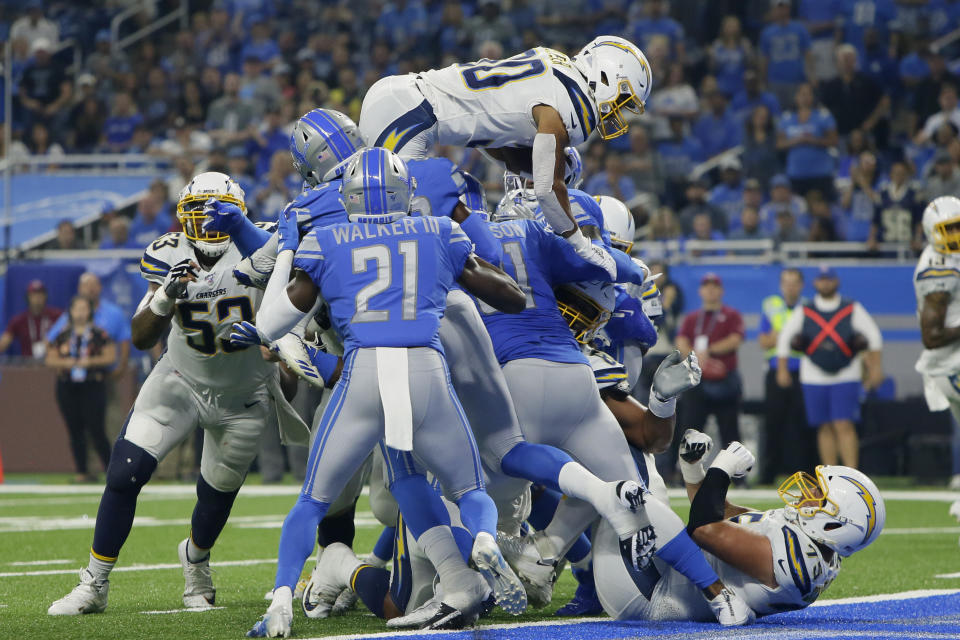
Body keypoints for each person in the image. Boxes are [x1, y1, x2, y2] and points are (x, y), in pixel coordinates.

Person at [243, 148, 530, 637]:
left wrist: (289, 248)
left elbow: (270, 324)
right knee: (470, 488)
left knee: (312, 501)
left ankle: (282, 601)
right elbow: (512, 297)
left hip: (364, 373)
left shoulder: (328, 239)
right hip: (425, 367)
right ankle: (483, 536)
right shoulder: (438, 230)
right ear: (406, 193)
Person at [47, 172, 304, 616]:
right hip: (180, 380)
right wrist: (167, 295)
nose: (207, 226)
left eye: (218, 214)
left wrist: (275, 353)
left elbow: (291, 358)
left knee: (214, 499)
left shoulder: (266, 249)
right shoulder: (168, 252)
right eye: (198, 215)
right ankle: (94, 582)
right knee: (125, 473)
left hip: (243, 395)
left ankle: (197, 562)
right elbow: (141, 337)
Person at [358, 36, 652, 279]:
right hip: (411, 115)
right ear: (606, 75)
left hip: (403, 100)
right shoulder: (568, 104)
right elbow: (548, 191)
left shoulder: (554, 64)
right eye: (622, 99)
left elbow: (488, 130)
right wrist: (581, 244)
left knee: (385, 225)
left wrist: (534, 168)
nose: (617, 111)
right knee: (391, 239)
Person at [594, 432, 885, 622]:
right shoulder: (811, 544)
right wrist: (694, 468)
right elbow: (721, 515)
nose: (809, 492)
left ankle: (548, 556)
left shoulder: (797, 559)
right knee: (641, 484)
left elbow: (703, 528)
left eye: (820, 496)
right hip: (657, 576)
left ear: (835, 524)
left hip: (650, 595)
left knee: (622, 484)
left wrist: (722, 468)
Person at [776, 267, 883, 469]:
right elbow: (785, 338)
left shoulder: (851, 307)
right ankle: (830, 474)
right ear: (815, 283)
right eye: (822, 280)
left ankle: (851, 473)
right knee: (823, 426)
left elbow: (874, 336)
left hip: (846, 374)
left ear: (836, 282)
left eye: (829, 279)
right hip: (813, 375)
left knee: (844, 424)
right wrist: (783, 369)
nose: (825, 283)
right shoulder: (805, 309)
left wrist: (876, 369)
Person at [914, 197, 960, 489]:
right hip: (949, 364)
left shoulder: (952, 257)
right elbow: (931, 337)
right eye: (948, 229)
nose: (955, 235)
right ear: (932, 231)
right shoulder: (937, 267)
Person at [45, 296, 115, 483]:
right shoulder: (62, 335)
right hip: (68, 385)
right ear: (71, 311)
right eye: (77, 309)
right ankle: (82, 471)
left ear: (90, 312)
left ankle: (111, 470)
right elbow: (50, 359)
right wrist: (66, 362)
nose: (81, 313)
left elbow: (110, 357)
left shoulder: (100, 334)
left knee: (97, 428)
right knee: (75, 429)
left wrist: (90, 361)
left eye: (84, 309)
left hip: (92, 384)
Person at [676, 273, 744, 452]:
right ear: (700, 291)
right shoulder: (692, 318)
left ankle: (738, 475)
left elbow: (735, 339)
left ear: (721, 291)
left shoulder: (731, 315)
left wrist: (709, 351)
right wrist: (695, 355)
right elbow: (681, 340)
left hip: (725, 377)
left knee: (730, 430)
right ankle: (684, 471)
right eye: (707, 286)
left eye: (715, 286)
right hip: (698, 378)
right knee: (690, 427)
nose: (711, 290)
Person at [758, 269, 811, 483]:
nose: (790, 287)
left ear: (801, 286)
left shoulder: (809, 307)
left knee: (804, 424)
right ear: (781, 286)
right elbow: (764, 342)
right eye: (786, 283)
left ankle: (806, 475)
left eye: (794, 283)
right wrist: (790, 338)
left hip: (805, 371)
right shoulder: (771, 306)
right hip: (775, 369)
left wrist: (780, 336)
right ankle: (768, 475)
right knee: (774, 422)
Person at [46, 273, 131, 380]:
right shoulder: (67, 320)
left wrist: (121, 367)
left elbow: (124, 341)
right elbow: (50, 340)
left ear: (100, 287)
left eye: (94, 285)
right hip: (70, 378)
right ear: (79, 288)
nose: (91, 289)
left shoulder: (112, 315)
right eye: (86, 285)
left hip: (102, 375)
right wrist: (61, 364)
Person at [776, 83, 838, 201]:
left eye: (808, 94)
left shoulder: (823, 116)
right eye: (802, 94)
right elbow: (779, 144)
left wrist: (812, 140)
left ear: (813, 97)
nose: (805, 97)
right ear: (796, 97)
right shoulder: (786, 118)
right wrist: (798, 140)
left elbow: (834, 141)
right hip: (796, 174)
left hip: (821, 173)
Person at [759, 0, 813, 110]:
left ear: (789, 8)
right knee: (776, 113)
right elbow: (764, 59)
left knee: (797, 111)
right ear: (773, 9)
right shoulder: (767, 32)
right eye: (779, 7)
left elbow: (808, 54)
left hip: (797, 80)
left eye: (784, 7)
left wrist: (811, 76)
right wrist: (762, 81)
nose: (782, 11)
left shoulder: (800, 29)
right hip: (775, 81)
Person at [0, 280, 61, 358]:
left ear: (45, 296)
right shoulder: (19, 320)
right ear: (27, 297)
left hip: (51, 363)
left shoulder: (57, 316)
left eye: (40, 295)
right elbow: (4, 342)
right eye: (33, 295)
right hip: (27, 364)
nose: (37, 298)